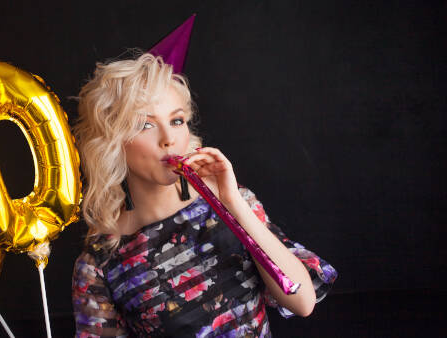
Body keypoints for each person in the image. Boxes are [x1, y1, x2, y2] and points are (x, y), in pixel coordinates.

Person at [71, 53, 337, 337]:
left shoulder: (233, 203)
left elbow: (302, 301)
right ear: (112, 142)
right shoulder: (101, 262)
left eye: (176, 120)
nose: (168, 139)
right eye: (145, 125)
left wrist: (232, 203)